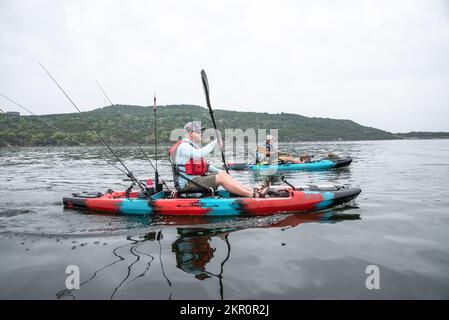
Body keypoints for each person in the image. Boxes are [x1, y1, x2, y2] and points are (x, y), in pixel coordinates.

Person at [169, 122, 269, 197]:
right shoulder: (184, 146)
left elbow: (207, 166)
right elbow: (199, 155)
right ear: (191, 133)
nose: (201, 134)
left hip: (194, 181)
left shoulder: (191, 146)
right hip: (188, 184)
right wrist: (214, 143)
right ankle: (252, 195)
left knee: (222, 175)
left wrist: (224, 173)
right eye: (199, 132)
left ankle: (252, 190)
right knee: (221, 178)